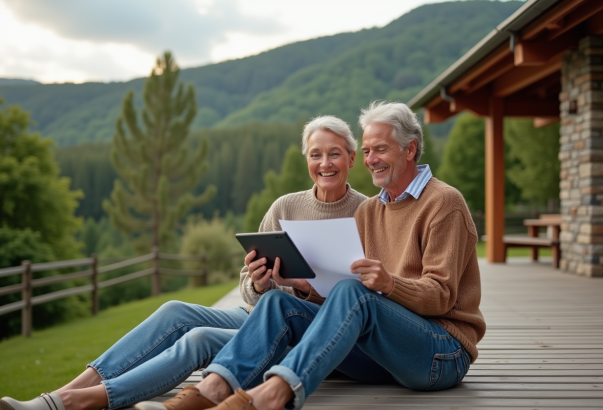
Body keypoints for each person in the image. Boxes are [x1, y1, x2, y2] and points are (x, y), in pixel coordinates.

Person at [0, 116, 367, 410]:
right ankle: (62, 394)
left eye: (334, 154)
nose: (325, 163)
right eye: (316, 154)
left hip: (311, 331)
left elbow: (367, 302)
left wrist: (307, 289)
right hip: (263, 312)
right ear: (306, 159)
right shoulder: (285, 207)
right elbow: (249, 291)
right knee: (175, 309)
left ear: (351, 158)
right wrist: (259, 283)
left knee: (199, 339)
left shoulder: (368, 213)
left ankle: (78, 402)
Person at [145, 101, 486, 410]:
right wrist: (302, 285)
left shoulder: (444, 203)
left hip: (440, 353)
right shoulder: (370, 211)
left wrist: (389, 284)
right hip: (384, 354)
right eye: (367, 151)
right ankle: (215, 389)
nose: (370, 160)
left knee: (356, 294)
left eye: (380, 149)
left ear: (410, 149)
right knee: (279, 304)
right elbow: (351, 299)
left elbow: (441, 297)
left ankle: (274, 394)